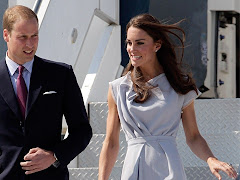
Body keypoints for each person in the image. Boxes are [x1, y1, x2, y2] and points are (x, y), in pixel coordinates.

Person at [0, 5, 92, 180]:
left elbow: (82, 130)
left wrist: (54, 155)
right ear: (6, 35)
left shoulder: (60, 75)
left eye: (34, 36)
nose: (30, 44)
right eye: (23, 37)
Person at [98, 14, 237, 180]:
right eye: (129, 43)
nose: (131, 49)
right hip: (133, 169)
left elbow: (193, 137)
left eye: (140, 43)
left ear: (157, 45)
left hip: (170, 170)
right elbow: (111, 142)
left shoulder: (180, 85)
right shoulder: (117, 88)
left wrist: (211, 159)